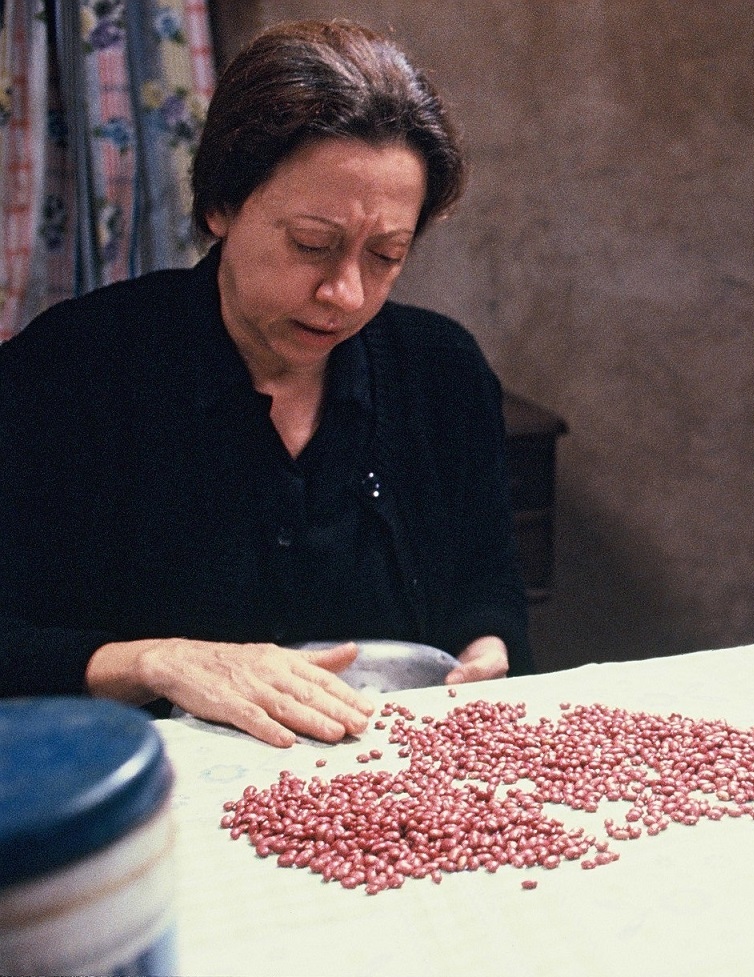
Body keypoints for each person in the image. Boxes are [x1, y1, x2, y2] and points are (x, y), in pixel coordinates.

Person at [0, 20, 532, 748]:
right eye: (312, 244)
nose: (345, 293)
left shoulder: (442, 374)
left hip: (389, 794)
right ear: (221, 204)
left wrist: (489, 648)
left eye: (386, 255)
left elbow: (488, 590)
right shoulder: (72, 369)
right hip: (137, 792)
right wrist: (155, 660)